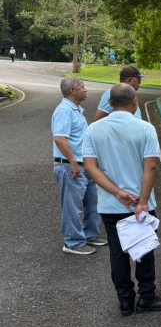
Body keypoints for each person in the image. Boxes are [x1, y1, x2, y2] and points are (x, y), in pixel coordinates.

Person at [83, 84, 161, 316]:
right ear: (135, 101)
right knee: (143, 250)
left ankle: (125, 300)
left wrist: (116, 192)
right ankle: (147, 297)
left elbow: (91, 167)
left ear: (110, 103)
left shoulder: (93, 129)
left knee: (118, 253)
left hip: (110, 204)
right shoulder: (145, 128)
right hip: (140, 203)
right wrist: (143, 201)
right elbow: (151, 166)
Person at [52, 77, 105, 255]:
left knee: (92, 203)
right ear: (72, 90)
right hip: (71, 166)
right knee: (72, 207)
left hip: (85, 165)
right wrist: (74, 162)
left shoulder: (76, 110)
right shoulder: (64, 111)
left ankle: (90, 235)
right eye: (82, 87)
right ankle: (73, 242)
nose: (86, 89)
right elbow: (60, 138)